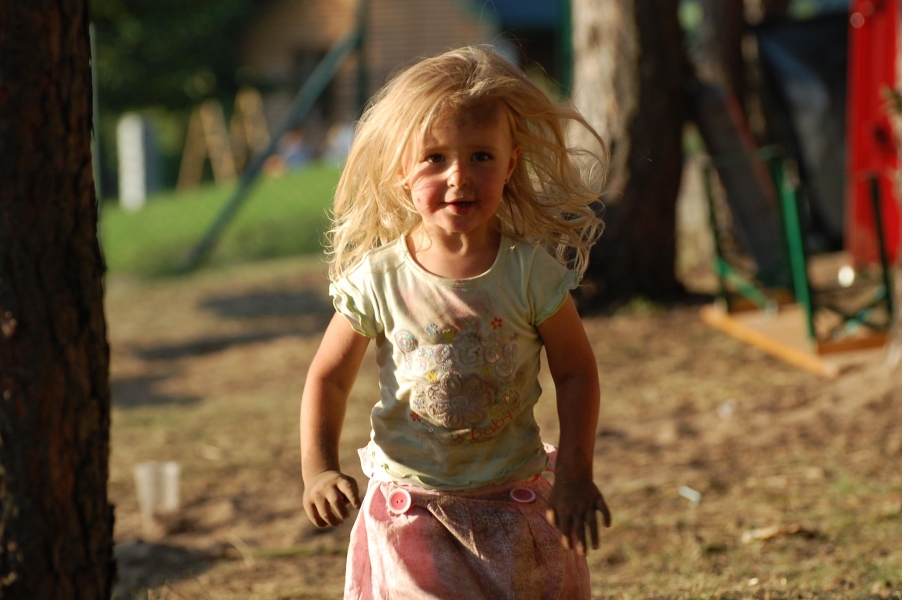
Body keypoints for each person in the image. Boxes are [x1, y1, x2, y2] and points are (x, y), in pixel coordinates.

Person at [300, 46, 611, 599]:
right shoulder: (379, 279)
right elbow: (329, 376)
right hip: (412, 511)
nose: (459, 177)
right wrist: (319, 469)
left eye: (481, 156)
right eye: (434, 158)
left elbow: (576, 373)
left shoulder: (530, 275)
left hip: (510, 504)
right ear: (401, 169)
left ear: (511, 164)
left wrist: (575, 472)